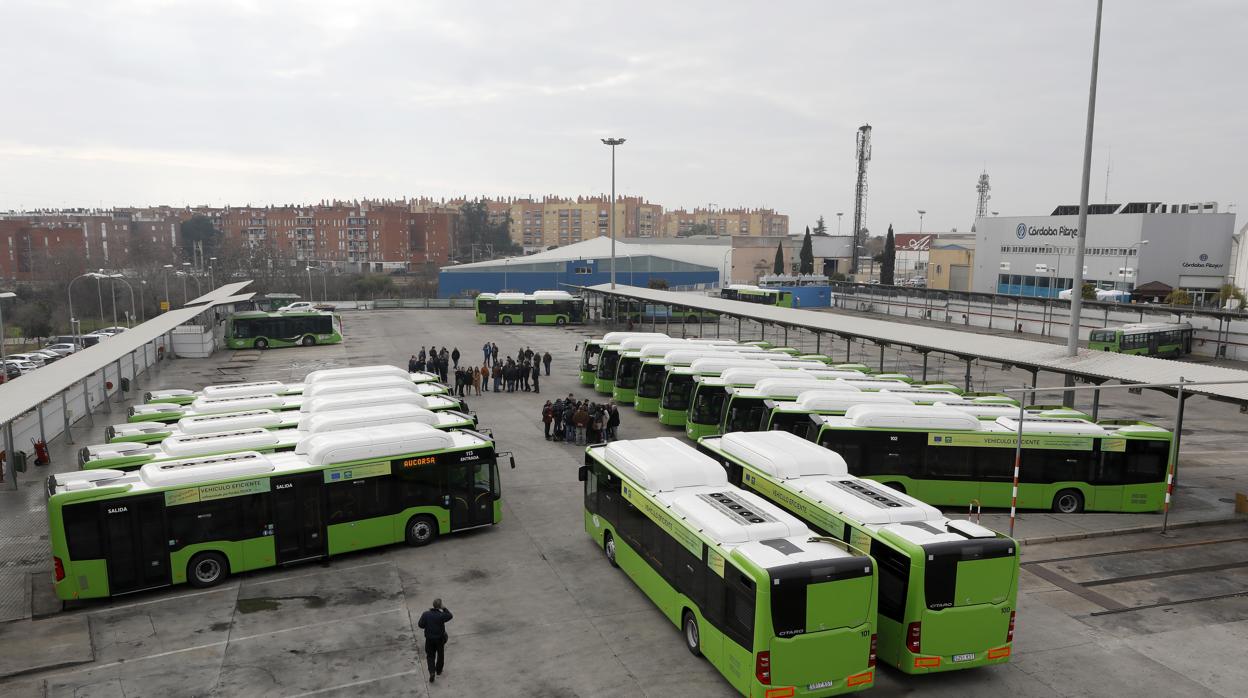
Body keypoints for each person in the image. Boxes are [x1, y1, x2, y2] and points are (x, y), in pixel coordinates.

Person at [417, 598, 453, 683]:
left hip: (429, 639)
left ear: (433, 605)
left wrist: (427, 626)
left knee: (430, 656)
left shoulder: (426, 614)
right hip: (439, 639)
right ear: (439, 606)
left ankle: (432, 672)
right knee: (440, 655)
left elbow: (420, 625)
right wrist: (444, 608)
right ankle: (439, 670)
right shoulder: (442, 615)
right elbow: (450, 616)